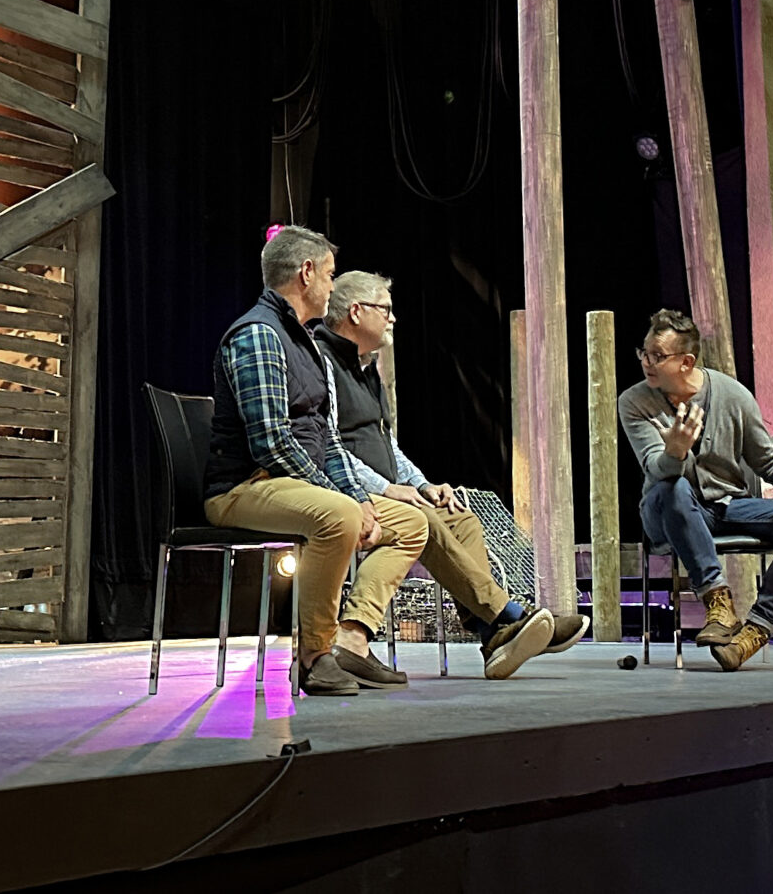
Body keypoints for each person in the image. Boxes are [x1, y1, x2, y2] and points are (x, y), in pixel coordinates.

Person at [203, 226, 429, 697]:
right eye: (328, 275)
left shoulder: (305, 343)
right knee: (339, 515)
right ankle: (313, 655)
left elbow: (327, 441)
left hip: (292, 483)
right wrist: (346, 501)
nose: (332, 285)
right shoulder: (258, 335)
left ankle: (353, 638)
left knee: (410, 524)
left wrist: (357, 494)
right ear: (306, 274)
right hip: (244, 486)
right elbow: (271, 443)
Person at [314, 270, 566, 679]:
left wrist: (422, 484)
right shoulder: (322, 362)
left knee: (460, 518)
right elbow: (329, 448)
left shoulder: (366, 368)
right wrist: (388, 489)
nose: (393, 319)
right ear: (356, 312)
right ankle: (506, 616)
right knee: (424, 521)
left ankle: (493, 635)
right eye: (386, 310)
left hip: (388, 492)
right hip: (348, 492)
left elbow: (388, 446)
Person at [617, 309, 773, 671]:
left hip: (727, 507)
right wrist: (675, 451)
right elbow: (654, 468)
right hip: (667, 513)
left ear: (686, 361)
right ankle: (717, 601)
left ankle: (756, 628)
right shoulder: (635, 401)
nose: (647, 362)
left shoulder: (733, 396)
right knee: (673, 487)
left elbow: (767, 463)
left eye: (657, 356)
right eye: (644, 353)